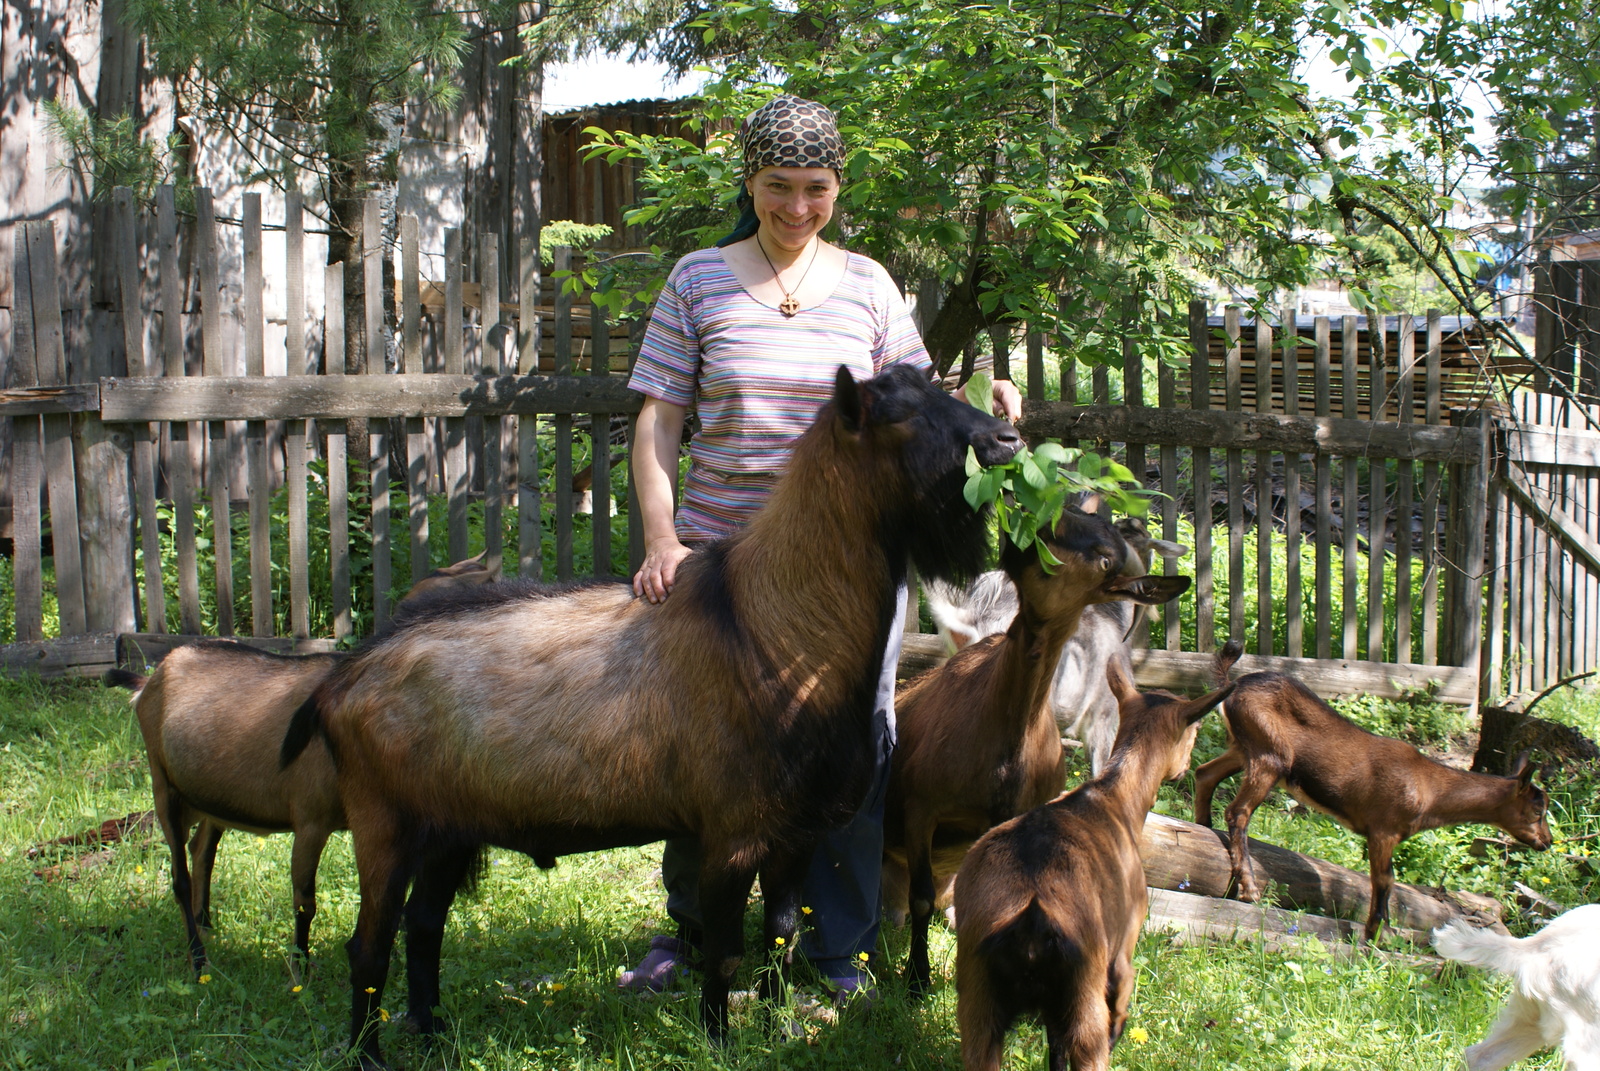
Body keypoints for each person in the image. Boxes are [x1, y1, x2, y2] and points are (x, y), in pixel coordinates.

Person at [618, 94, 1021, 1003]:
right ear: (750, 183)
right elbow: (659, 421)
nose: (797, 207)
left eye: (816, 188)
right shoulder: (697, 281)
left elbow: (917, 402)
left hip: (849, 577)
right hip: (723, 571)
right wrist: (659, 535)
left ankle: (835, 943)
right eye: (777, 187)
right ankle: (693, 926)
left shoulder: (871, 287)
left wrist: (985, 410)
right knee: (705, 748)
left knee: (855, 745)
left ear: (838, 187)